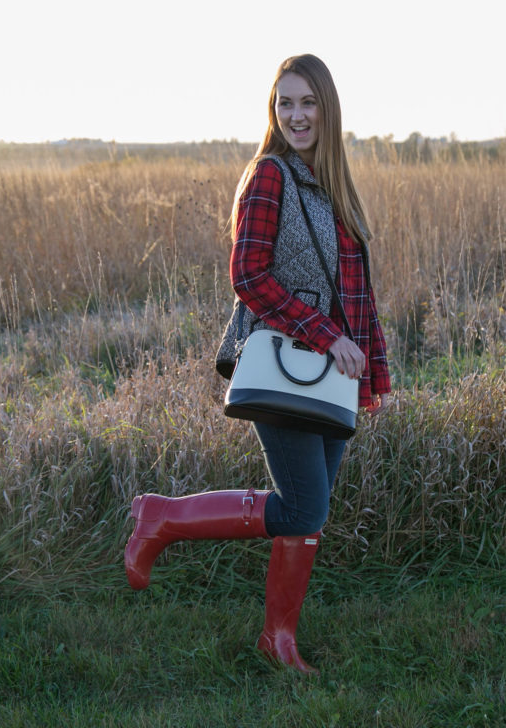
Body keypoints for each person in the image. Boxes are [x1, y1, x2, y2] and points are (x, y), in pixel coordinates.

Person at [123, 54, 390, 674]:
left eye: (307, 103)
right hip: (289, 358)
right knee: (303, 508)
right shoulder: (269, 175)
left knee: (310, 509)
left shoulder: (333, 185)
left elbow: (356, 292)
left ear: (328, 108)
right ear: (273, 111)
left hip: (334, 373)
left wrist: (371, 371)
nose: (296, 115)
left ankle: (278, 639)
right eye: (285, 103)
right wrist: (326, 337)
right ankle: (161, 518)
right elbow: (249, 275)